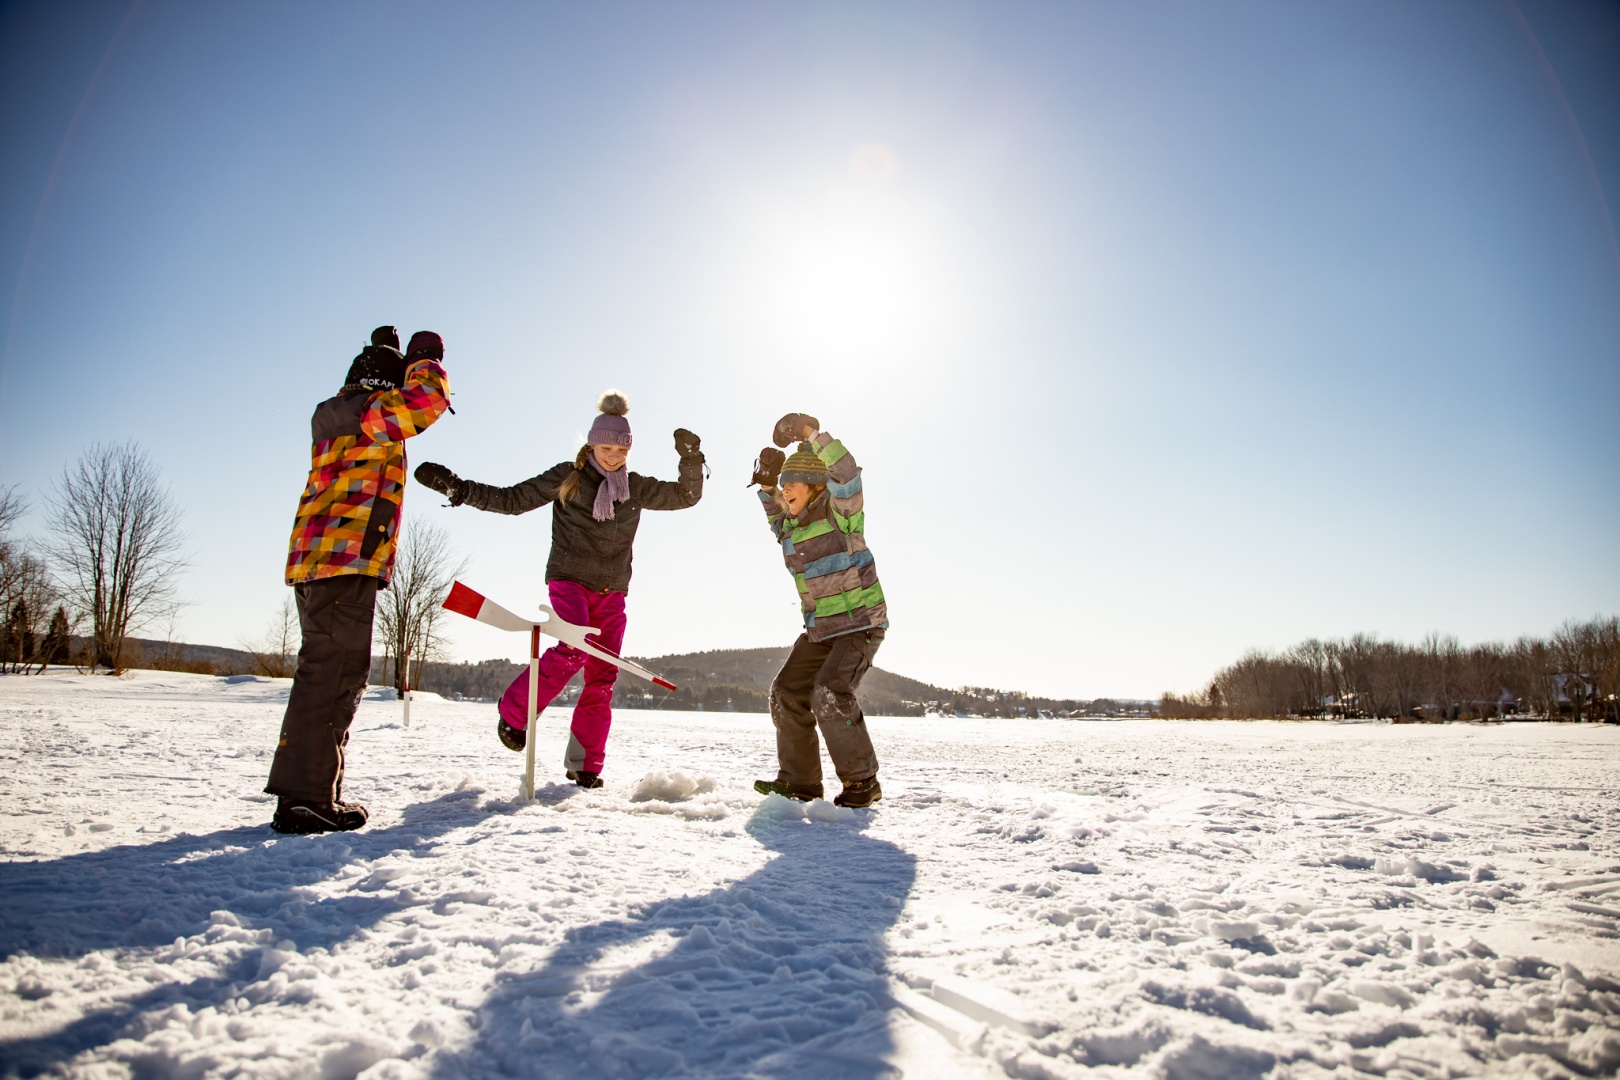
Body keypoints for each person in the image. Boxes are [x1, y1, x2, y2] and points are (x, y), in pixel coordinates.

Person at [414, 391, 703, 788]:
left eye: (622, 450)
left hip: (613, 591)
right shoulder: (567, 477)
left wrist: (691, 459)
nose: (614, 457)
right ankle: (514, 713)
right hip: (569, 581)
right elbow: (513, 499)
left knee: (602, 677)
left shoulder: (634, 487)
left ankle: (584, 764)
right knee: (571, 651)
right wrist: (460, 490)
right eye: (606, 448)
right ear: (591, 443)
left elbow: (686, 496)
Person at [267, 327, 452, 834]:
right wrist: (425, 359)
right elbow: (426, 402)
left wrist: (385, 352)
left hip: (316, 560)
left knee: (325, 673)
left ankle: (309, 794)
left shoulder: (333, 413)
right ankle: (304, 799)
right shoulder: (371, 414)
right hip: (345, 562)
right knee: (333, 678)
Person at [749, 413, 888, 808]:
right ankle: (801, 783)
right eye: (783, 485)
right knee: (786, 692)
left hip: (859, 624)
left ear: (814, 485)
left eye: (791, 483)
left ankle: (863, 783)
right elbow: (773, 510)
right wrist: (764, 482)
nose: (785, 489)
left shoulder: (841, 516)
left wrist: (810, 433)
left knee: (828, 692)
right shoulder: (790, 528)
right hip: (820, 630)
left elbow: (845, 473)